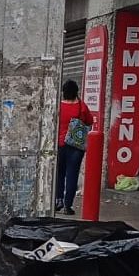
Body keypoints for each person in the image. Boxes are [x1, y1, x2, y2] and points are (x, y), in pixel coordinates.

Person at [55, 79, 94, 215]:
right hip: (76, 146)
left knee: (59, 174)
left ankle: (58, 200)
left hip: (59, 145)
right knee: (72, 175)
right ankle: (67, 206)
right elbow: (90, 121)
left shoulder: (57, 106)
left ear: (63, 92)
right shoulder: (81, 107)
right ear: (76, 92)